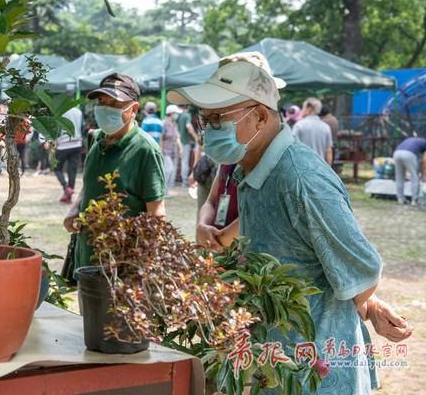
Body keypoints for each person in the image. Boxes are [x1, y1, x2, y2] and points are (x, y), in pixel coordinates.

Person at [169, 52, 413, 394]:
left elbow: (362, 271)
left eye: (219, 119)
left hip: (314, 371)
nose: (209, 130)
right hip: (274, 365)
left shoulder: (301, 179)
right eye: (205, 120)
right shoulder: (252, 171)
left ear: (259, 116)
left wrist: (367, 302)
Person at [63, 73, 166, 274]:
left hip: (123, 263)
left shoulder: (146, 150)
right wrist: (75, 209)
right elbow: (90, 184)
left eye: (114, 103)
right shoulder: (96, 139)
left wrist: (148, 265)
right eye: (102, 101)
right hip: (88, 256)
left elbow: (156, 214)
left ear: (133, 109)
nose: (105, 108)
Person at [292, 97, 334, 165]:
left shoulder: (299, 125)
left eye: (303, 108)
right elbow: (328, 151)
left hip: (302, 167)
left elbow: (292, 148)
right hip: (320, 168)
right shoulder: (326, 127)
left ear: (309, 109)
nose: (302, 110)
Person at [55, 106, 83, 203]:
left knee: (57, 168)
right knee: (72, 171)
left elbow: (56, 128)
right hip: (77, 144)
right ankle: (69, 198)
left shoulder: (60, 111)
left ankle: (66, 188)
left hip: (63, 145)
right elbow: (82, 127)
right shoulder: (78, 111)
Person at [393, 136, 426, 205]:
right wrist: (423, 174)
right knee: (414, 177)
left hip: (397, 153)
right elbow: (424, 160)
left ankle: (400, 199)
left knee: (399, 177)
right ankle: (415, 200)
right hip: (409, 154)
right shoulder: (424, 143)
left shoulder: (412, 139)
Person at [160, 104, 183, 193]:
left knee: (171, 170)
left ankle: (166, 191)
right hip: (165, 151)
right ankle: (163, 191)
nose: (176, 115)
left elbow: (177, 137)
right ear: (171, 113)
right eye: (175, 113)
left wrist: (181, 148)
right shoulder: (163, 124)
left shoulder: (174, 124)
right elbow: (161, 138)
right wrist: (160, 150)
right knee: (168, 170)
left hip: (173, 151)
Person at [178, 105, 199, 187]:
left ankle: (182, 181)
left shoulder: (181, 115)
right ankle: (184, 182)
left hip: (181, 141)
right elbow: (189, 127)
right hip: (185, 142)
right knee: (185, 161)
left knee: (183, 161)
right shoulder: (187, 115)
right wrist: (196, 137)